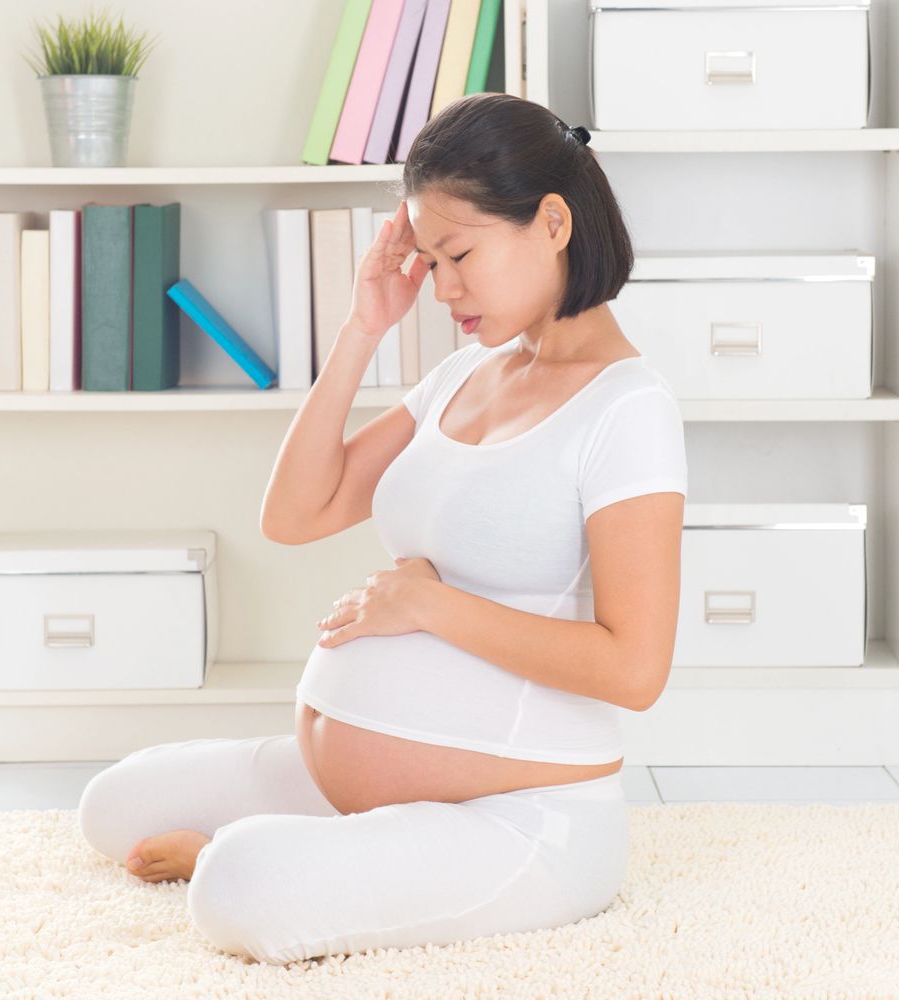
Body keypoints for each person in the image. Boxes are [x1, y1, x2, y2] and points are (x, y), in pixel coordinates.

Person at [77, 92, 687, 966]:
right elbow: (294, 514)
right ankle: (348, 837)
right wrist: (364, 330)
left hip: (525, 820)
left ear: (552, 222)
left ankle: (262, 857)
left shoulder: (628, 409)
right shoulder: (463, 375)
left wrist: (433, 608)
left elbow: (635, 669)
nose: (441, 289)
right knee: (114, 806)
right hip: (353, 781)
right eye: (429, 259)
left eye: (461, 254)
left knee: (236, 886)